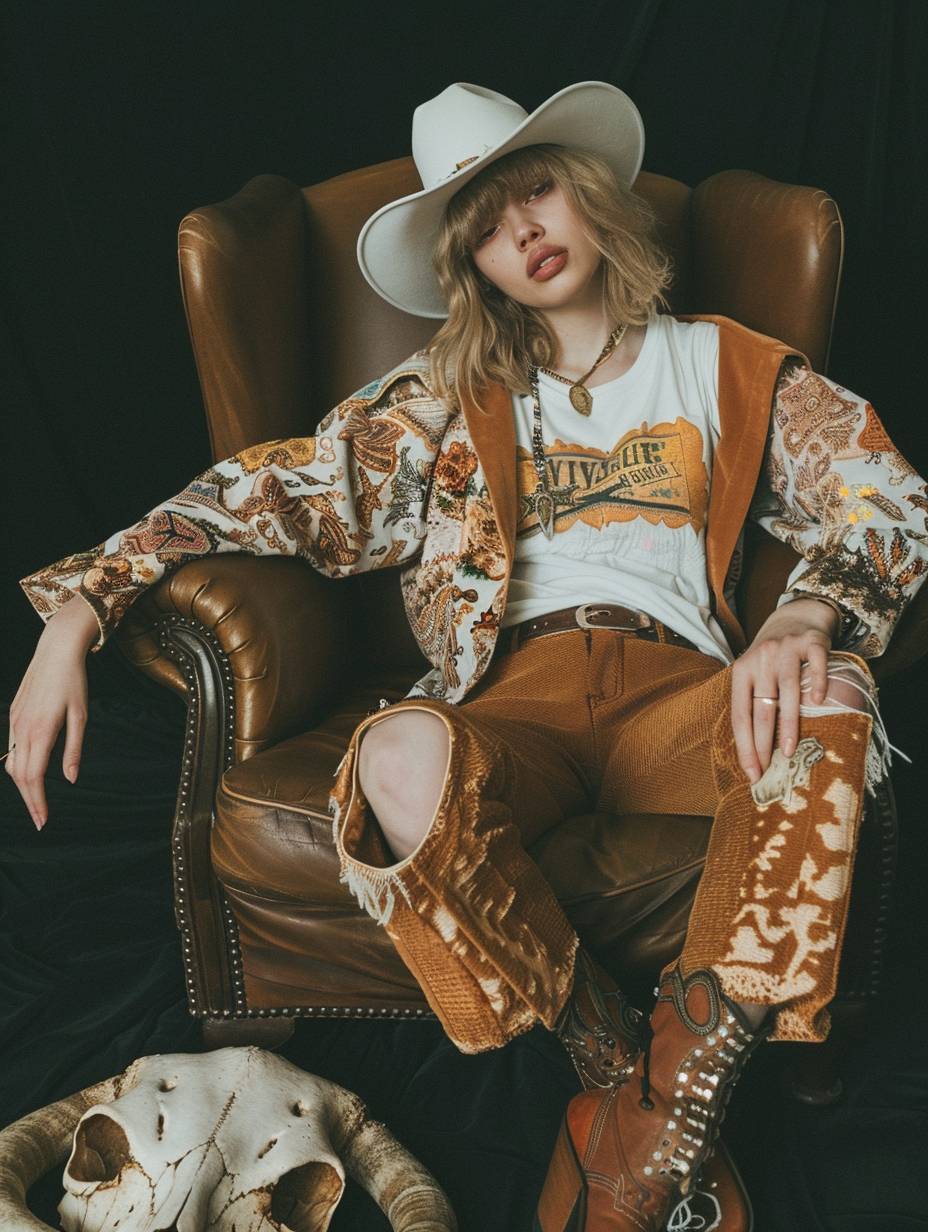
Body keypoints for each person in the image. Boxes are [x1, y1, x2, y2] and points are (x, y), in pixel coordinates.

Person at [9, 81, 927, 1230]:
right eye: (488, 225)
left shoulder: (727, 364)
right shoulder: (441, 401)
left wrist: (804, 617)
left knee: (833, 699)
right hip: (513, 697)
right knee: (391, 757)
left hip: (683, 690)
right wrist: (77, 611)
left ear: (587, 194)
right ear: (472, 264)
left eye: (536, 192)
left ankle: (637, 1120)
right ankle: (627, 1077)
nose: (525, 232)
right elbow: (259, 492)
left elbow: (886, 497)